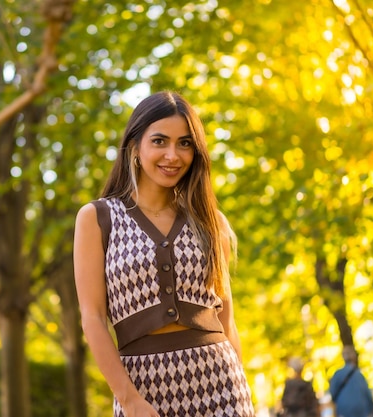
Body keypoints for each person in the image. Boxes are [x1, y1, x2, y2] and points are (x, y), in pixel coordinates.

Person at [73, 91, 255, 417]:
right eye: (160, 141)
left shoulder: (211, 221)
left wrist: (243, 390)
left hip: (221, 385)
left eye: (185, 143)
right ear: (135, 147)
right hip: (142, 390)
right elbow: (93, 318)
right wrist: (129, 400)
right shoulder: (97, 218)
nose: (173, 154)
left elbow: (226, 318)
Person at [329, 345, 373, 417]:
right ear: (354, 357)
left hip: (344, 410)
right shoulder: (359, 375)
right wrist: (372, 411)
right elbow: (368, 395)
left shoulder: (337, 374)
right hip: (361, 410)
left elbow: (332, 394)